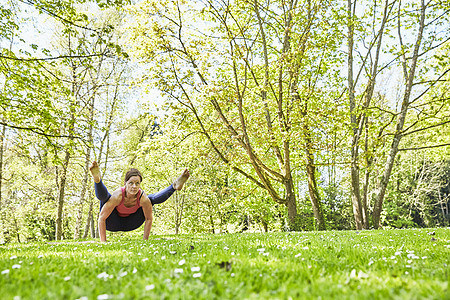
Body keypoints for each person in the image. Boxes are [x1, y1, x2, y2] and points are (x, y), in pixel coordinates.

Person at [89, 161, 190, 242]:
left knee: (150, 200)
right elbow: (102, 218)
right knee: (105, 199)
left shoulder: (142, 198)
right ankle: (97, 180)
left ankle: (174, 186)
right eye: (131, 183)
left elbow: (149, 219)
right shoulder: (118, 195)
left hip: (131, 223)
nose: (134, 186)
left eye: (137, 183)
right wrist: (103, 241)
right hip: (111, 223)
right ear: (125, 183)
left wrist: (145, 241)